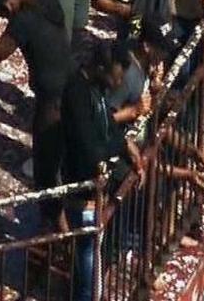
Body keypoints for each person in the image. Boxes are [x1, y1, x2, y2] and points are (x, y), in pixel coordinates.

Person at [0, 0, 74, 227]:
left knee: (46, 170)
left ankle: (59, 231)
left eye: (4, 16)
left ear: (8, 7)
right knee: (68, 159)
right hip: (73, 89)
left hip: (51, 102)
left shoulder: (23, 20)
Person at [61, 43, 143, 301]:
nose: (119, 83)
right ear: (100, 68)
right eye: (116, 76)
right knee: (88, 276)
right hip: (82, 193)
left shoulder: (96, 89)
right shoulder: (77, 94)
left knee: (91, 268)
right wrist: (120, 144)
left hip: (93, 193)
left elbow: (105, 125)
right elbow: (91, 149)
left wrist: (123, 142)